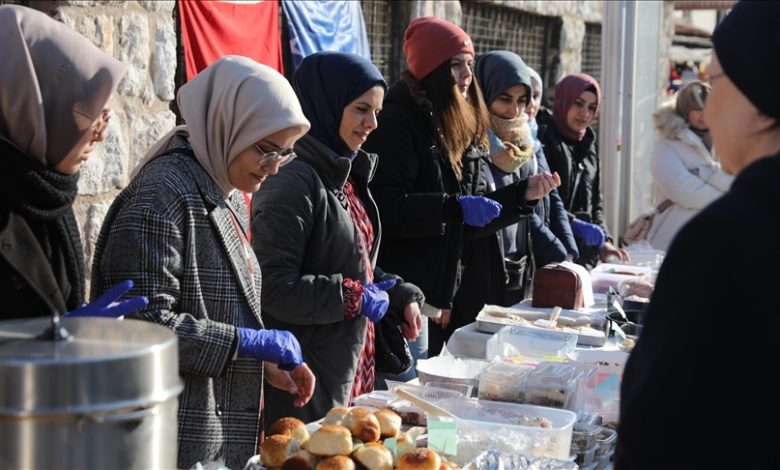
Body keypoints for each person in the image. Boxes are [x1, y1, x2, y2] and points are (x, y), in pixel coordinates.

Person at [90, 56, 316, 470]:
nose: (272, 169)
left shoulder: (225, 187)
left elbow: (217, 302)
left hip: (212, 431)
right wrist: (242, 343)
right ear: (229, 125)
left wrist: (259, 361)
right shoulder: (161, 197)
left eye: (284, 156)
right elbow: (143, 329)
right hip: (169, 437)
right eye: (266, 151)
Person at [617, 2, 780, 468]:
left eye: (716, 81)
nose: (708, 103)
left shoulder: (726, 241)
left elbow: (663, 428)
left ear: (758, 92)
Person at [363, 17, 558, 358]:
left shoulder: (456, 124)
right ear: (433, 69)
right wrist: (450, 208)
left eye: (469, 64)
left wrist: (520, 198)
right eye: (456, 66)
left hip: (437, 300)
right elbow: (385, 211)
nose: (468, 76)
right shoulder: (398, 124)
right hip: (403, 300)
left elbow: (467, 221)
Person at [251, 51, 425, 426]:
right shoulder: (292, 182)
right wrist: (354, 298)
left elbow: (354, 262)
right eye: (362, 109)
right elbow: (273, 287)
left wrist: (399, 293)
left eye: (376, 111)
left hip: (350, 369)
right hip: (308, 378)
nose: (373, 123)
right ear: (326, 107)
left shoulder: (344, 173)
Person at [0, 5, 149, 321]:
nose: (100, 135)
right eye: (92, 117)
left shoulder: (46, 194)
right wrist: (54, 335)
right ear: (35, 110)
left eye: (106, 117)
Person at [474, 51, 578, 305]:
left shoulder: (526, 146)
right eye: (504, 99)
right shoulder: (472, 145)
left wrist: (565, 252)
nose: (515, 109)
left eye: (522, 100)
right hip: (479, 277)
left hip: (521, 271)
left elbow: (547, 205)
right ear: (485, 95)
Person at [537, 73, 629, 270]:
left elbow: (596, 203)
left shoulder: (588, 143)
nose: (584, 113)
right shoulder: (545, 140)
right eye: (578, 103)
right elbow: (543, 204)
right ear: (564, 100)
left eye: (592, 108)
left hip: (585, 260)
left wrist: (605, 242)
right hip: (552, 256)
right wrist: (573, 223)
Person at [646, 80, 733, 251]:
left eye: (706, 108)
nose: (703, 115)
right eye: (696, 109)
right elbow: (684, 192)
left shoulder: (726, 140)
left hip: (718, 240)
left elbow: (737, 181)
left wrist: (706, 173)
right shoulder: (666, 146)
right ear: (684, 110)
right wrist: (729, 199)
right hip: (673, 239)